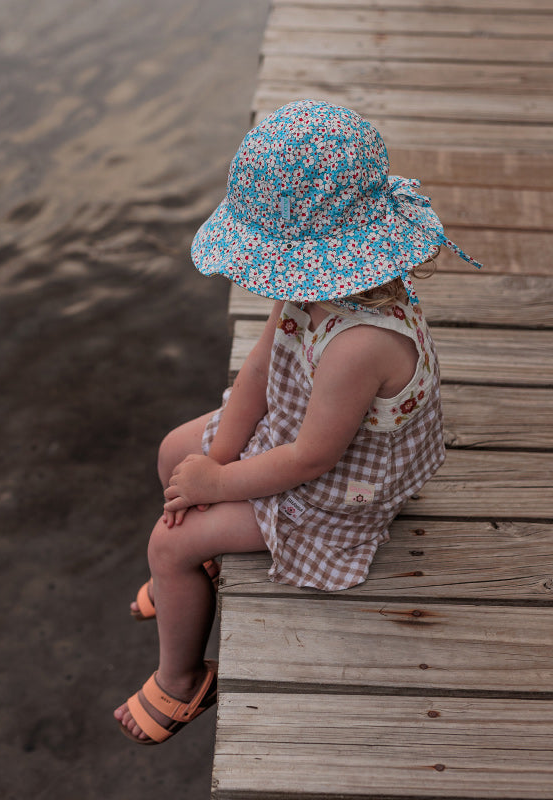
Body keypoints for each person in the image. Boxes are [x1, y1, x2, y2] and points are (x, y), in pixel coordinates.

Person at [114, 100, 481, 745]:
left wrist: (216, 488)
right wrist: (216, 460)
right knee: (176, 449)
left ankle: (183, 679)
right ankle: (188, 581)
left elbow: (312, 459)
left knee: (168, 544)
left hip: (341, 483)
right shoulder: (314, 283)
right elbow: (260, 369)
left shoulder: (360, 343)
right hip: (303, 431)